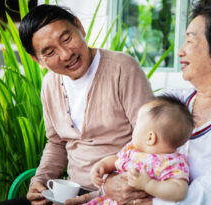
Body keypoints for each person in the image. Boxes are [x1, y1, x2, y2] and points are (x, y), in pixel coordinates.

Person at [103, 2, 211, 205]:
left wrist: (147, 203)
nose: (180, 51)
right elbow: (135, 152)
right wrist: (110, 182)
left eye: (190, 41)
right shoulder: (175, 100)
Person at [15, 4, 154, 205]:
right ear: (37, 60)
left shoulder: (122, 68)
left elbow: (152, 139)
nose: (65, 54)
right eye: (49, 52)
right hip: (72, 192)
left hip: (121, 192)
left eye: (67, 38)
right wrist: (40, 180)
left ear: (79, 27)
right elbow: (57, 143)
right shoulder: (50, 84)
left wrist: (111, 182)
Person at [86, 95, 194, 205]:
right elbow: (117, 160)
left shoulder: (172, 162)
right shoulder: (133, 149)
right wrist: (102, 165)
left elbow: (180, 191)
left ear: (150, 138)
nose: (134, 127)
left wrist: (148, 184)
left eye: (137, 124)